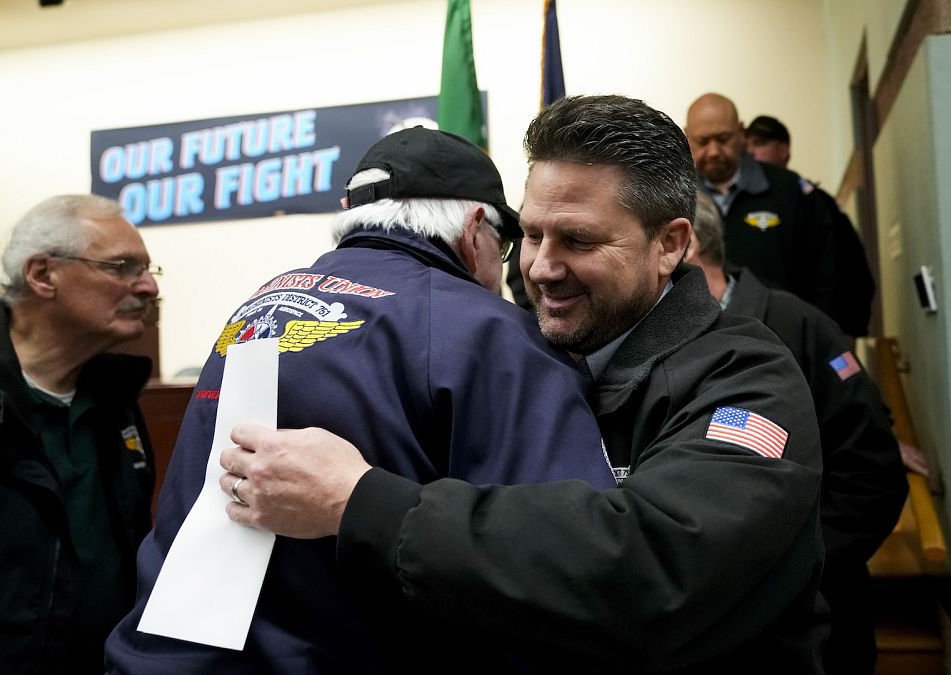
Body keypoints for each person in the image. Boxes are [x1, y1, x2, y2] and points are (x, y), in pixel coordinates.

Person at [215, 94, 828, 673]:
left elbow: (652, 570)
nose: (540, 267)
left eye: (578, 240)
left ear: (669, 244)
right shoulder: (522, 354)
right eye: (532, 234)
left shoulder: (746, 381)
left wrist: (357, 504)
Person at [105, 127, 617, 673]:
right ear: (474, 232)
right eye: (509, 247)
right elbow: (570, 558)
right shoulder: (491, 334)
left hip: (165, 653)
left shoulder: (257, 305)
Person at [686, 191, 906, 674]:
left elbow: (873, 478)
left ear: (685, 247)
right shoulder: (660, 342)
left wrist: (782, 570)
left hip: (818, 633)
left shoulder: (801, 326)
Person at [0, 194, 159, 674]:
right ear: (42, 275)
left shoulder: (115, 398)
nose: (147, 286)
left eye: (148, 269)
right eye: (123, 267)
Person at [684, 93, 875, 338]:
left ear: (742, 133)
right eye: (702, 141)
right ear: (687, 136)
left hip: (786, 340)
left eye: (723, 139)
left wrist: (815, 336)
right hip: (701, 345)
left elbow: (833, 275)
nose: (713, 151)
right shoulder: (676, 201)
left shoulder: (791, 192)